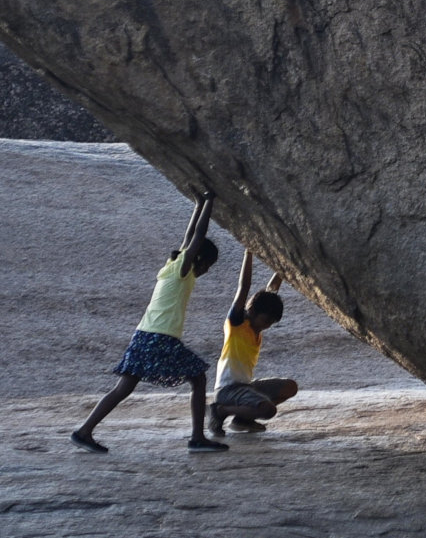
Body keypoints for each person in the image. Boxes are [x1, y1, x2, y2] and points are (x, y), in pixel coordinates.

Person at [71, 190, 229, 454]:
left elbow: (189, 239)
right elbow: (197, 238)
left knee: (123, 387)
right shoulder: (183, 269)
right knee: (199, 377)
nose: (206, 271)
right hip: (160, 336)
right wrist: (210, 201)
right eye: (208, 265)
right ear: (198, 260)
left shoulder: (172, 265)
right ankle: (197, 437)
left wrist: (199, 204)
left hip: (143, 334)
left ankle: (84, 431)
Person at [207, 249, 297, 436]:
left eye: (271, 323)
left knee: (290, 387)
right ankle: (220, 410)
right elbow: (244, 287)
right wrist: (249, 252)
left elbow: (271, 290)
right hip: (227, 390)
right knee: (268, 410)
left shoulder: (257, 328)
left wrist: (284, 267)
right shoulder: (236, 326)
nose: (267, 326)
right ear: (252, 312)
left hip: (245, 387)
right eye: (265, 321)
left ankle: (242, 419)